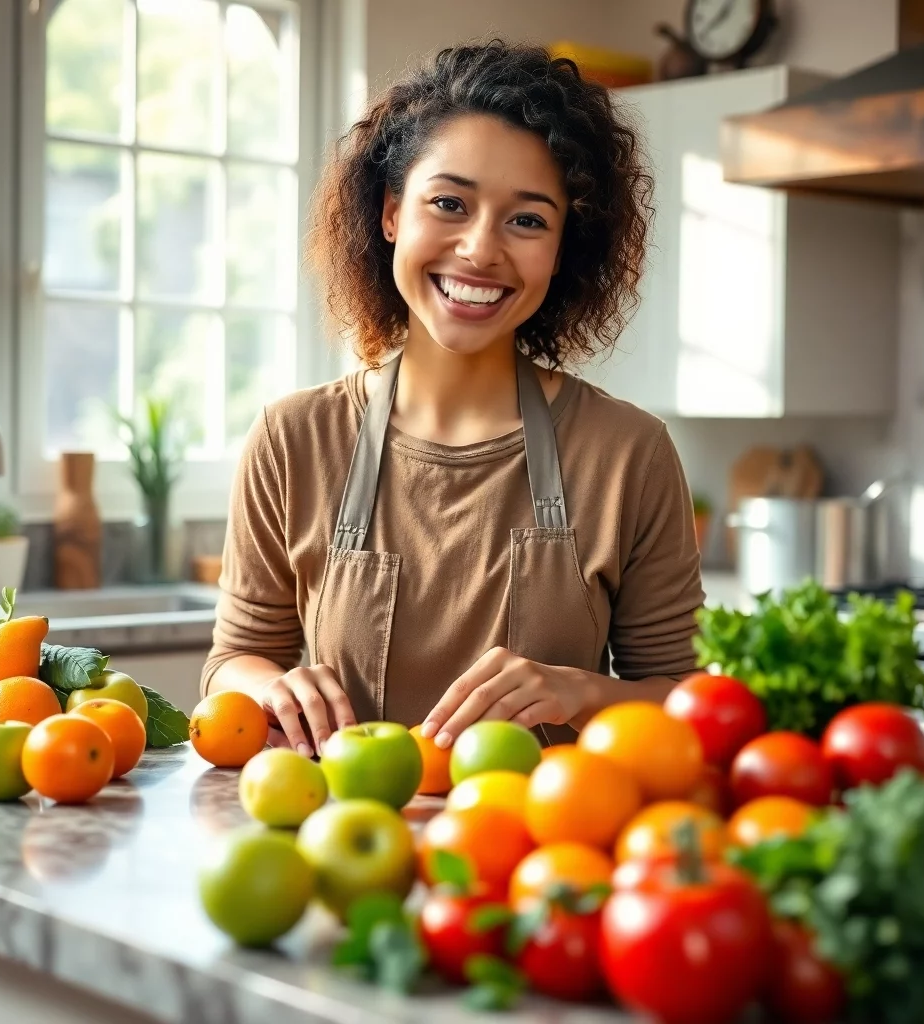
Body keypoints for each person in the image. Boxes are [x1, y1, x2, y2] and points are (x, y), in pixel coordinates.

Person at [200, 40, 705, 758]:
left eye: (527, 220)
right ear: (391, 215)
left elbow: (689, 701)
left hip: (548, 853)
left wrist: (582, 693)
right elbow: (233, 662)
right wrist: (268, 687)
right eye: (449, 203)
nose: (478, 249)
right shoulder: (293, 439)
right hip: (335, 843)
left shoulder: (628, 452)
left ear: (565, 248)